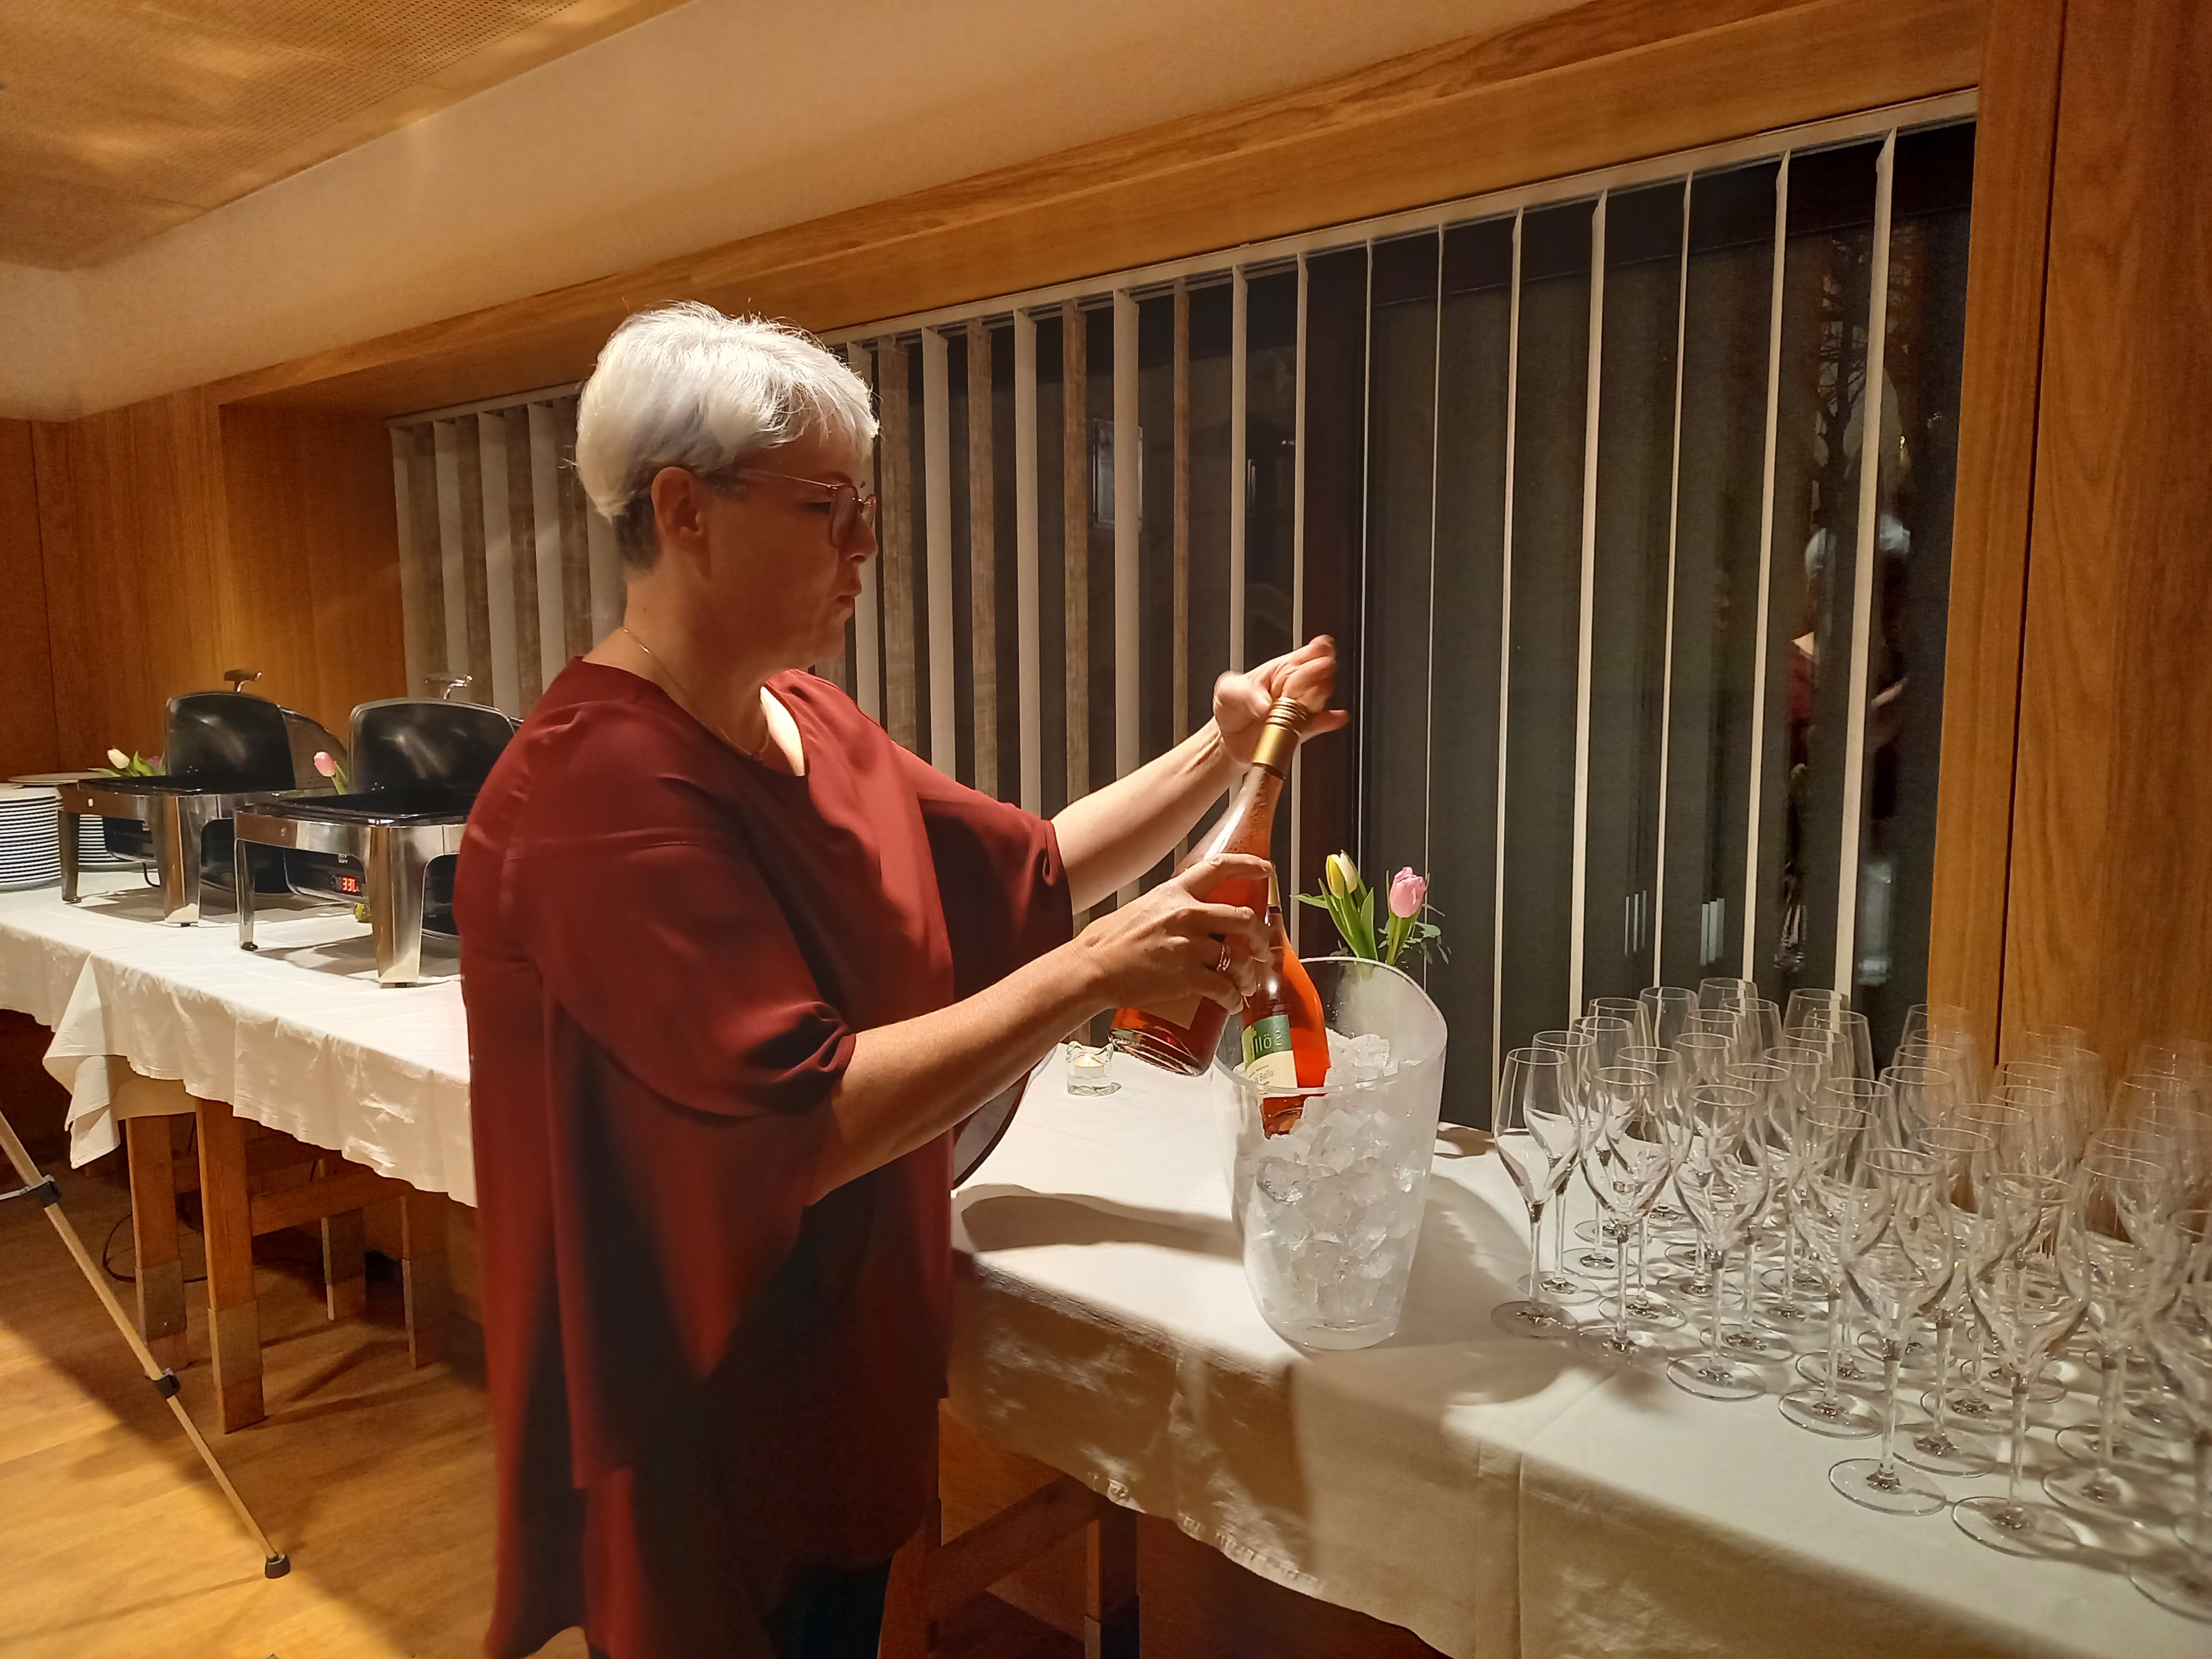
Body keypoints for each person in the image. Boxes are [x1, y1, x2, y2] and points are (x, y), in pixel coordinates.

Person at [456, 301, 1345, 1659]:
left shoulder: (801, 715)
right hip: (715, 1408)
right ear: (684, 510)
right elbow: (804, 1122)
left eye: (862, 505)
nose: (864, 543)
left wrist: (1224, 752)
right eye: (827, 507)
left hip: (847, 1355)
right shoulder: (598, 788)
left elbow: (1034, 866)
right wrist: (1097, 969)